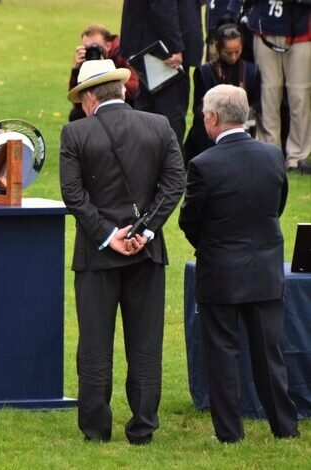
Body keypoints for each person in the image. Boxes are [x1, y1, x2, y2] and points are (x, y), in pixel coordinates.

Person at [60, 60, 185, 445]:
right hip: (147, 254)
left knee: (95, 346)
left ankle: (96, 430)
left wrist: (107, 235)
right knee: (146, 345)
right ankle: (143, 426)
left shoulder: (75, 133)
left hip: (97, 257)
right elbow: (175, 182)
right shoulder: (159, 126)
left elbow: (73, 194)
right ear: (122, 91)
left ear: (91, 98)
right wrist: (144, 230)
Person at [178, 84, 299, 443]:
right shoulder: (273, 156)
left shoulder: (202, 165)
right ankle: (284, 426)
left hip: (220, 273)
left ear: (212, 119)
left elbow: (190, 221)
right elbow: (276, 206)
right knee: (269, 354)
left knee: (222, 353)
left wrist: (213, 246)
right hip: (264, 268)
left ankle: (231, 433)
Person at [119, 0, 203, 146]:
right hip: (163, 50)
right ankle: (169, 166)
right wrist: (174, 46)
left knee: (149, 111)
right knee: (170, 116)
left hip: (151, 43)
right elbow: (163, 5)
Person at [246, 0, 310, 172]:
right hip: (264, 25)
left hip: (301, 26)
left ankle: (297, 157)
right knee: (268, 92)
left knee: (300, 94)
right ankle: (269, 151)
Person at [184, 22, 261, 164]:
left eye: (237, 51)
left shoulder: (251, 71)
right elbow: (199, 109)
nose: (233, 57)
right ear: (219, 49)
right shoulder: (205, 72)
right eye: (228, 52)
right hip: (211, 128)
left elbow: (256, 105)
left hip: (242, 125)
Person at [67, 24, 139, 122]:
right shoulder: (86, 61)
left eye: (95, 47)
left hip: (125, 104)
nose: (92, 51)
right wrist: (76, 70)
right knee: (76, 114)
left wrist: (108, 75)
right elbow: (78, 102)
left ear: (108, 45)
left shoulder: (123, 53)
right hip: (97, 105)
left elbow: (136, 89)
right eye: (87, 48)